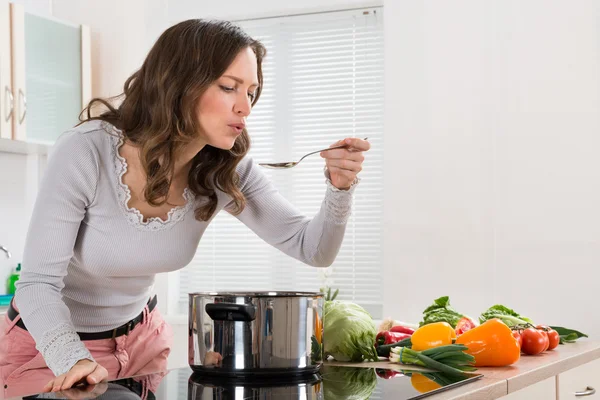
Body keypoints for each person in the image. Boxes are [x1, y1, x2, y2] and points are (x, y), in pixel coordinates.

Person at [0, 18, 370, 396]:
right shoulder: (86, 151)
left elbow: (314, 248)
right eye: (229, 88)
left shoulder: (226, 169)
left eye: (252, 93)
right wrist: (74, 359)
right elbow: (36, 286)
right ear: (179, 84)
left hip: (143, 346)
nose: (245, 107)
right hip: (49, 351)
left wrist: (339, 188)